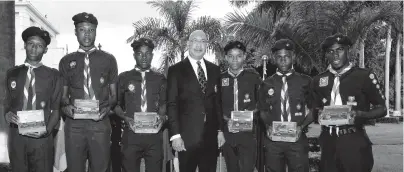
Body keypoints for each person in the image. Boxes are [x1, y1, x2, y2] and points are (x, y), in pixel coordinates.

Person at [312, 33, 386, 172]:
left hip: (354, 141)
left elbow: (382, 108)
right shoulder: (318, 80)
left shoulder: (364, 76)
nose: (335, 55)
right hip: (328, 141)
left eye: (340, 50)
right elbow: (314, 109)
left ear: (348, 51)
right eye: (330, 51)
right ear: (326, 55)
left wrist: (360, 114)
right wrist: (318, 113)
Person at [58, 12, 118, 172]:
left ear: (96, 31)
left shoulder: (109, 60)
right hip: (75, 125)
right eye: (82, 29)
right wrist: (66, 108)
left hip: (100, 124)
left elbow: (114, 96)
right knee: (75, 168)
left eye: (91, 30)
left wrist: (107, 109)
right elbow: (63, 97)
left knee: (100, 168)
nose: (87, 34)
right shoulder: (65, 61)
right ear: (76, 32)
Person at [166, 30, 226, 172]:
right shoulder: (176, 70)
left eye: (203, 41)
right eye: (195, 40)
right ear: (188, 43)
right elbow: (172, 104)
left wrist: (220, 130)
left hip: (210, 138)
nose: (199, 45)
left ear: (207, 45)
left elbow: (217, 102)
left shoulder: (214, 70)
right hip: (186, 139)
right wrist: (175, 136)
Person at [5, 26, 62, 172]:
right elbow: (5, 103)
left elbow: (56, 110)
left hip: (41, 138)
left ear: (45, 50)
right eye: (31, 43)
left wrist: (47, 130)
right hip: (16, 136)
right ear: (25, 45)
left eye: (40, 45)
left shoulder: (53, 75)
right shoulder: (12, 73)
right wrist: (7, 114)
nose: (34, 48)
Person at [258, 39, 313, 172]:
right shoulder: (266, 84)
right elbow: (263, 111)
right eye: (279, 57)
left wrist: (302, 126)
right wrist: (268, 126)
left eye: (287, 57)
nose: (283, 61)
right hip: (274, 142)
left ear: (293, 57)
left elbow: (314, 110)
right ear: (274, 58)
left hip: (297, 140)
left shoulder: (305, 81)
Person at [114, 38, 167, 172]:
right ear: (134, 55)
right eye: (140, 53)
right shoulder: (124, 77)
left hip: (154, 136)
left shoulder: (160, 78)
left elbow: (163, 104)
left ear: (152, 55)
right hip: (131, 135)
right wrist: (125, 118)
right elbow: (116, 105)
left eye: (148, 53)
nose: (144, 57)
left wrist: (162, 117)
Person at [220, 41, 261, 172]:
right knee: (231, 169)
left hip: (247, 134)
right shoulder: (219, 79)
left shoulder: (254, 78)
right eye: (231, 56)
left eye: (238, 56)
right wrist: (226, 120)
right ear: (225, 57)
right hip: (228, 133)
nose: (234, 59)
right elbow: (215, 106)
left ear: (244, 57)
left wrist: (245, 118)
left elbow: (261, 104)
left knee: (247, 169)